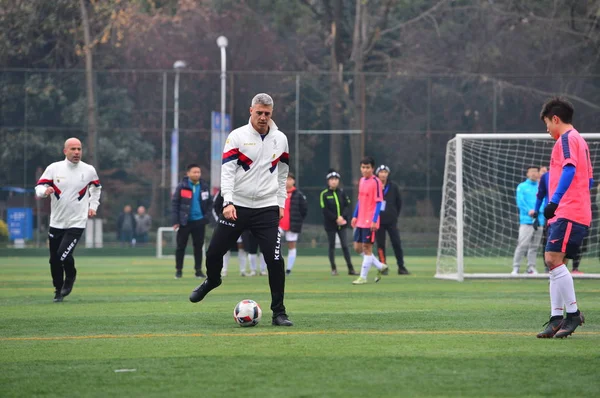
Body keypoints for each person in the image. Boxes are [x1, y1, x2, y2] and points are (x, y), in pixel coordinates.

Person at [189, 93, 293, 327]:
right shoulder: (237, 136)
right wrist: (228, 202)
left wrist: (280, 203)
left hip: (266, 208)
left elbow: (283, 173)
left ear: (271, 114)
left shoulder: (281, 139)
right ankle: (212, 280)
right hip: (238, 207)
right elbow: (226, 171)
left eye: (267, 113)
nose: (263, 117)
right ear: (251, 111)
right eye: (259, 113)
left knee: (275, 259)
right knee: (214, 253)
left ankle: (279, 312)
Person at [536, 97, 590, 339]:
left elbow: (569, 169)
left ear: (555, 119)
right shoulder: (580, 140)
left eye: (547, 123)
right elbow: (587, 180)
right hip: (574, 210)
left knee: (551, 259)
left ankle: (573, 314)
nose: (547, 128)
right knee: (555, 265)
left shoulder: (567, 139)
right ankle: (557, 318)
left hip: (568, 210)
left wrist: (555, 201)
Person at [35, 137, 101, 302]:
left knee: (62, 255)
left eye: (79, 149)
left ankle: (70, 276)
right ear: (65, 151)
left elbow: (96, 189)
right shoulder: (54, 168)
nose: (77, 152)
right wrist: (45, 191)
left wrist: (93, 206)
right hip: (56, 222)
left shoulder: (89, 170)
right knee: (54, 259)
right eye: (73, 149)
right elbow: (38, 187)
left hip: (76, 222)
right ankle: (58, 290)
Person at [351, 156, 389, 285]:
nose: (365, 170)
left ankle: (363, 277)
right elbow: (360, 200)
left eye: (367, 167)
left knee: (367, 248)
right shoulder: (361, 181)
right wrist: (355, 215)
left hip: (370, 221)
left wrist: (374, 220)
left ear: (372, 168)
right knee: (357, 248)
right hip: (360, 220)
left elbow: (379, 203)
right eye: (363, 167)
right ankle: (380, 266)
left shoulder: (376, 182)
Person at [172, 163, 212, 279]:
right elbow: (175, 204)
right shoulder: (182, 186)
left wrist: (206, 218)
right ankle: (178, 271)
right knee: (181, 247)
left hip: (199, 221)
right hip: (185, 221)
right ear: (188, 173)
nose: (197, 174)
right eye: (194, 172)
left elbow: (210, 203)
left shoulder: (204, 186)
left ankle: (198, 271)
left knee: (198, 247)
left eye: (198, 172)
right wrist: (176, 221)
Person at [374, 165, 410, 275]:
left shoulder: (393, 186)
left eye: (385, 172)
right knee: (380, 245)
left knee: (396, 243)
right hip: (378, 221)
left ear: (388, 174)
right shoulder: (374, 186)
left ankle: (401, 267)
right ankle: (383, 267)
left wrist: (394, 215)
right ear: (377, 174)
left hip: (391, 221)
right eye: (381, 172)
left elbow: (399, 203)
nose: (383, 174)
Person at [319, 169, 356, 275]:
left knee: (345, 246)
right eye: (331, 179)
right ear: (328, 181)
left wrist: (342, 217)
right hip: (330, 225)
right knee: (332, 246)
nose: (334, 181)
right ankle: (333, 269)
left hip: (342, 224)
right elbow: (325, 210)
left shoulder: (342, 192)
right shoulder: (324, 194)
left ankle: (351, 269)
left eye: (336, 179)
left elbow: (346, 205)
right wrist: (336, 218)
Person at [511, 166, 545, 275]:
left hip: (539, 220)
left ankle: (531, 267)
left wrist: (538, 210)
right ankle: (516, 267)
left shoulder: (541, 186)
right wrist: (529, 211)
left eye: (536, 171)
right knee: (522, 244)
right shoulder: (522, 187)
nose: (534, 174)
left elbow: (544, 200)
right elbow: (520, 201)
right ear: (527, 173)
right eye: (532, 171)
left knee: (534, 247)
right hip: (526, 220)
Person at [212, 190, 247, 277]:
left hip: (242, 224)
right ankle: (224, 270)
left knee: (241, 246)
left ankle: (243, 270)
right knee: (225, 247)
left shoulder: (245, 188)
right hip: (227, 224)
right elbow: (215, 206)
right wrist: (220, 220)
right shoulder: (223, 189)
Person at [280, 172, 308, 275]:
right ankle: (277, 267)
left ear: (294, 181)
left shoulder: (298, 194)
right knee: (275, 245)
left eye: (290, 179)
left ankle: (288, 269)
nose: (288, 181)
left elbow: (304, 209)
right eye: (286, 179)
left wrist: (298, 220)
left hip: (292, 225)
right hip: (279, 224)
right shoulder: (279, 192)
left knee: (291, 245)